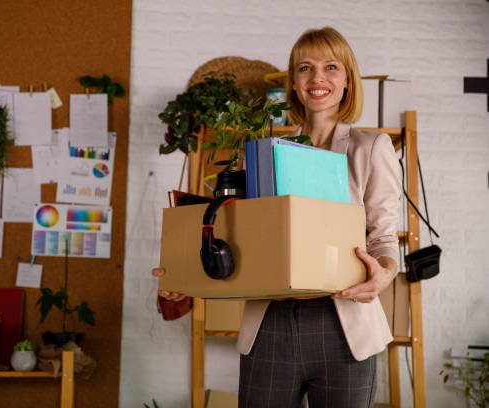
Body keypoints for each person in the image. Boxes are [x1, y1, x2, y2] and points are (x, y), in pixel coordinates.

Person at [153, 26, 400, 408]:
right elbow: (244, 240)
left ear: (348, 80)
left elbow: (383, 236)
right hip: (270, 325)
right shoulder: (262, 153)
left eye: (331, 67)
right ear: (294, 85)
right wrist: (186, 274)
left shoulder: (371, 148)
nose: (318, 78)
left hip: (345, 326)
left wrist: (384, 273)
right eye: (305, 68)